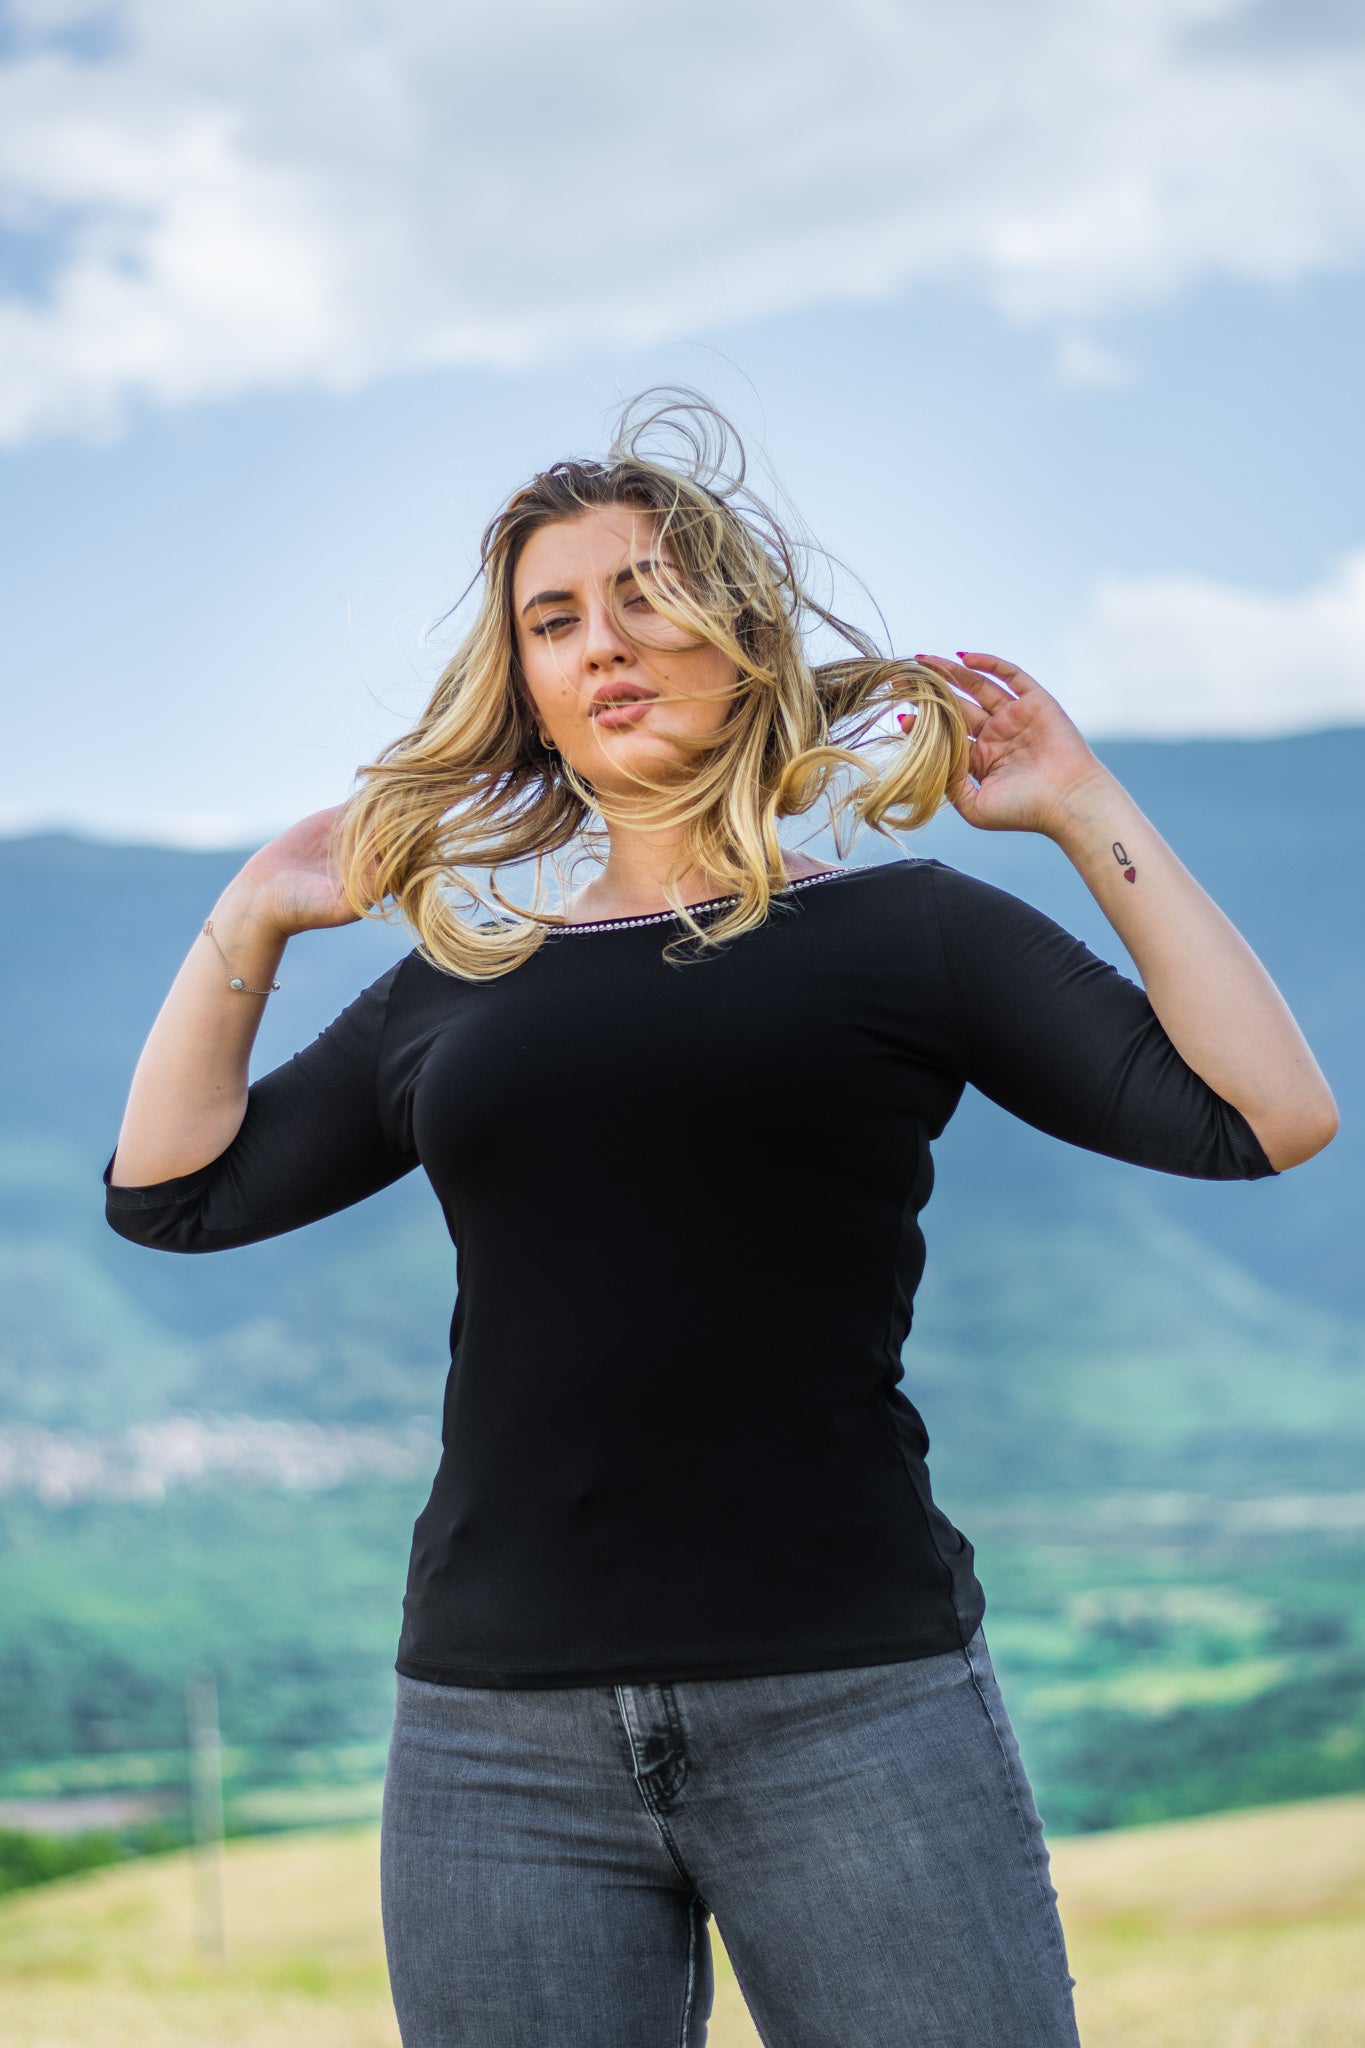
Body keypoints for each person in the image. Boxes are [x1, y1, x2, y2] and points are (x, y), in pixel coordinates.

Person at [103, 391, 1338, 2048]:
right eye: (555, 619)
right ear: (526, 688)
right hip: (493, 1740)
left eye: (645, 595)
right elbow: (171, 1194)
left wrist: (1075, 805)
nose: (603, 643)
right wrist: (251, 909)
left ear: (741, 636)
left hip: (853, 1706)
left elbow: (1268, 1115)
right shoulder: (457, 986)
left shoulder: (910, 934)